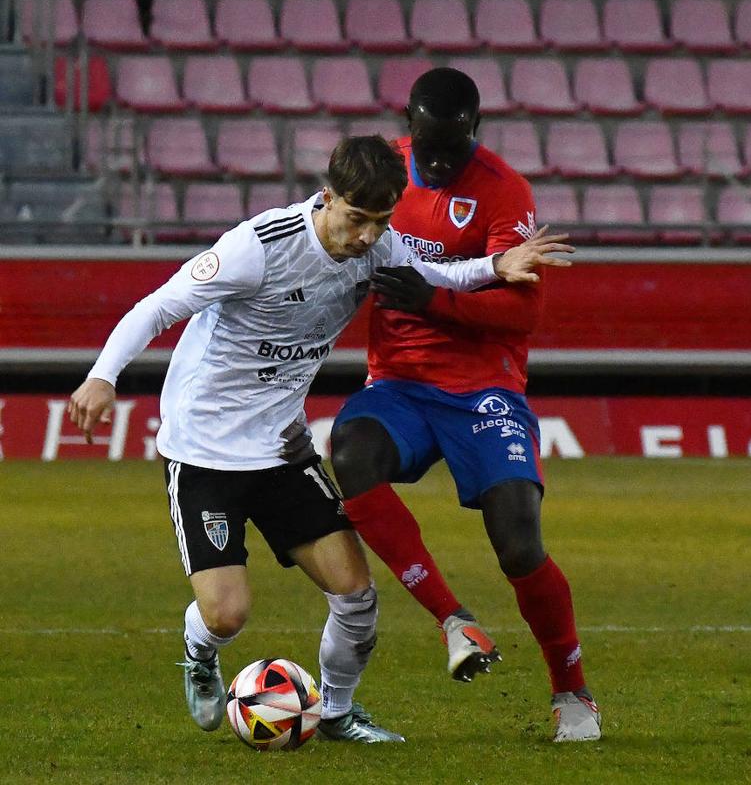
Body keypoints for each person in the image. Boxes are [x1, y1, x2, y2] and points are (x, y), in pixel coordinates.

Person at [67, 135, 572, 743]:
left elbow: (434, 271)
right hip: (203, 452)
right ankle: (200, 652)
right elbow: (156, 307)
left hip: (282, 449)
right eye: (357, 218)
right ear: (327, 196)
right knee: (227, 614)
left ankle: (335, 712)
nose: (366, 236)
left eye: (381, 221)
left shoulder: (379, 244)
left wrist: (496, 267)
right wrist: (101, 376)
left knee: (357, 596)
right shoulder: (256, 248)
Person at [328, 68, 601, 742]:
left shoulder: (504, 191)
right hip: (398, 381)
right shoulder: (381, 171)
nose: (441, 162)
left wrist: (436, 302)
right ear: (409, 129)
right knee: (351, 454)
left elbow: (525, 309)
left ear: (474, 133)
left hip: (485, 388)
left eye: (455, 147)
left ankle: (573, 694)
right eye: (430, 147)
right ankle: (455, 620)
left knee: (517, 541)